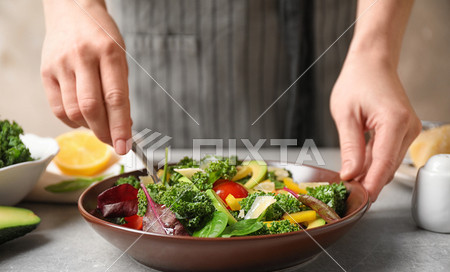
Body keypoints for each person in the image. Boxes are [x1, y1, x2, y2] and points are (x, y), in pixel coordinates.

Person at [40, 0, 421, 202]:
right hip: (179, 43)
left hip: (335, 34)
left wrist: (375, 50)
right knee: (160, 189)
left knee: (326, 176)